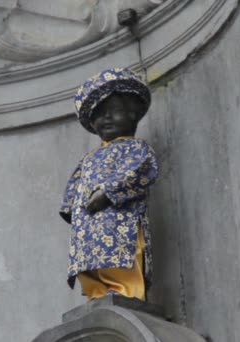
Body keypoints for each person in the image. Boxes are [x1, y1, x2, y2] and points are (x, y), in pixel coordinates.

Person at [59, 68, 159, 300]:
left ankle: (126, 292)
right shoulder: (88, 158)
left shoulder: (136, 148)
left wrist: (108, 193)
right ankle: (97, 293)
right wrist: (73, 210)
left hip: (120, 220)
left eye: (112, 112)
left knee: (123, 257)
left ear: (132, 114)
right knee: (89, 266)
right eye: (99, 115)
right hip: (88, 229)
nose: (105, 119)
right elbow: (73, 189)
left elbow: (142, 172)